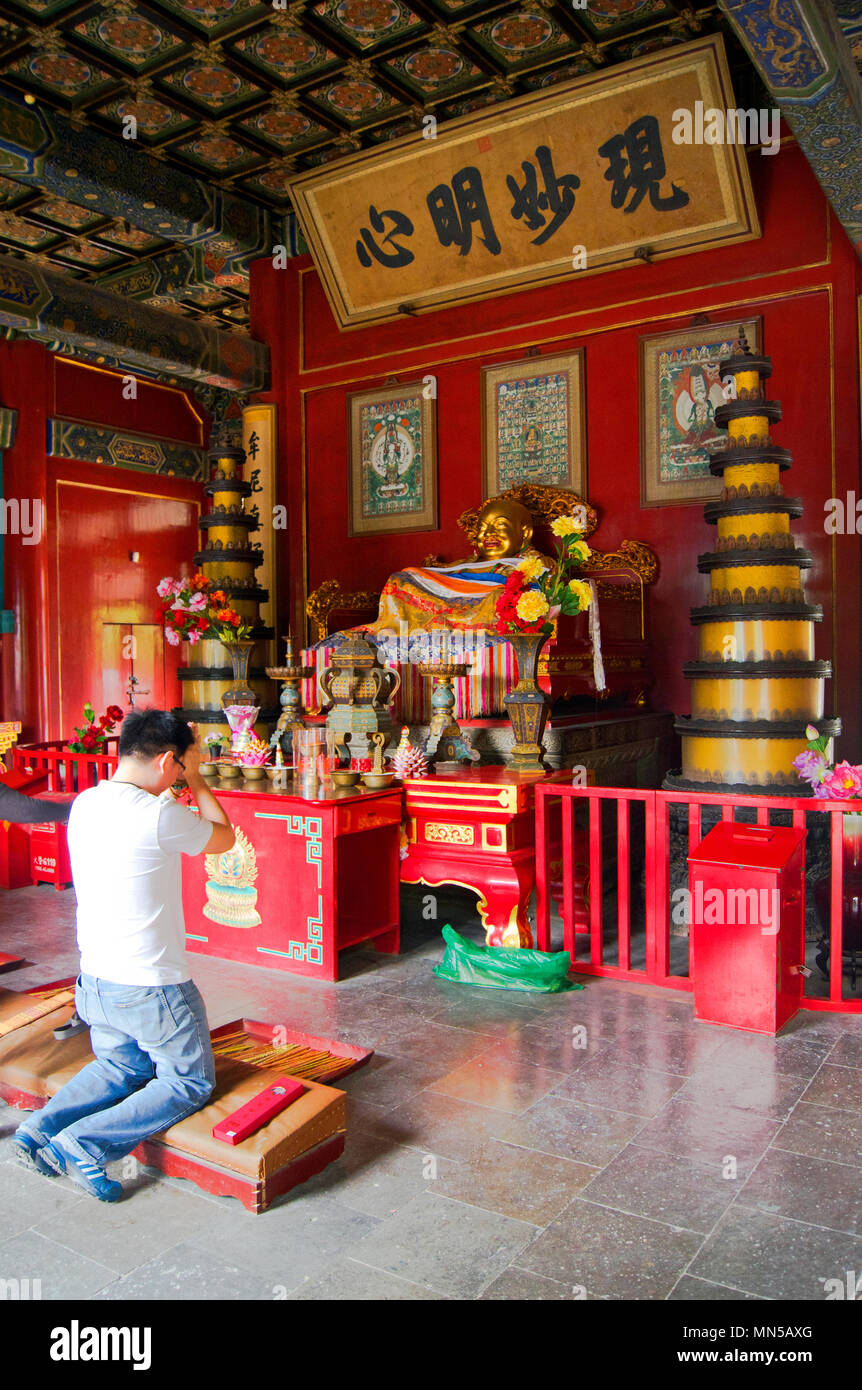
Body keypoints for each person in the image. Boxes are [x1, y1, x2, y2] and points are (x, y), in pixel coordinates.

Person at [13, 709, 235, 1202]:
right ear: (165, 761)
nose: (179, 775)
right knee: (189, 1081)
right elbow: (224, 838)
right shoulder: (159, 813)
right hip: (152, 987)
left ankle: (37, 1132)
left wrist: (185, 774)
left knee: (121, 1067)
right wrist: (198, 782)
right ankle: (84, 1145)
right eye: (179, 766)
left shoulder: (86, 802)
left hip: (94, 981)